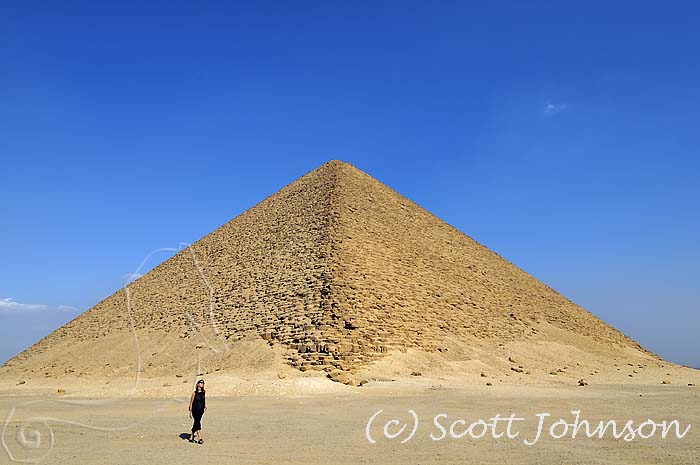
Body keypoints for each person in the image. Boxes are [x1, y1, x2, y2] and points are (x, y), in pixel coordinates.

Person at [188, 379, 207, 444]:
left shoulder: (204, 392)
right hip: (195, 410)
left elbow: (203, 400)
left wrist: (205, 406)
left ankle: (191, 437)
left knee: (196, 422)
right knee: (197, 422)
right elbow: (191, 403)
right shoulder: (194, 393)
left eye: (203, 383)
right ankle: (200, 438)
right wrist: (190, 412)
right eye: (201, 383)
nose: (202, 384)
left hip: (201, 410)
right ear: (198, 384)